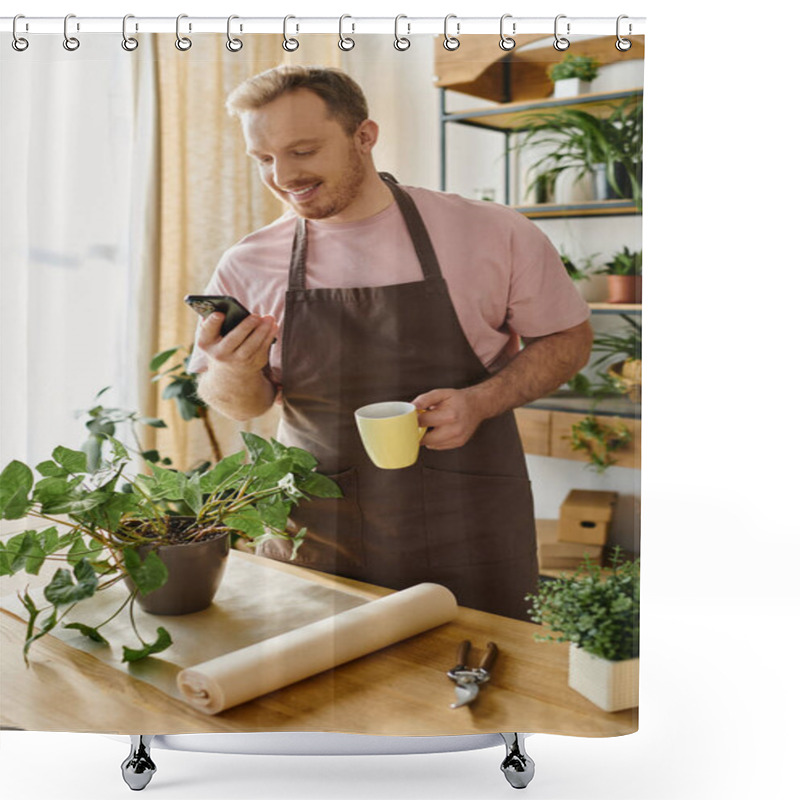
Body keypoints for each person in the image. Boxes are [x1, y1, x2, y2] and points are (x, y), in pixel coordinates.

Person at [188, 66, 593, 620]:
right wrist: (233, 371)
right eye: (264, 159)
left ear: (364, 136)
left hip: (470, 519)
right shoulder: (248, 263)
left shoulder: (491, 232)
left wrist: (482, 401)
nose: (283, 176)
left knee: (488, 684)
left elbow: (568, 338)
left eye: (302, 150)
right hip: (319, 526)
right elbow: (244, 404)